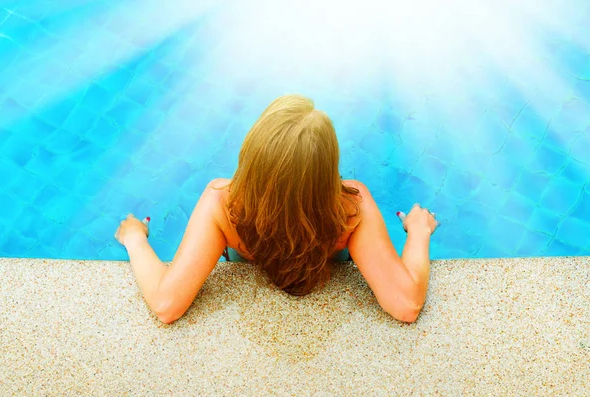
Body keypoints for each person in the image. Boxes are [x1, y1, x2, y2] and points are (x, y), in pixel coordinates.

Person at [114, 94, 438, 324]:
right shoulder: (350, 208)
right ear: (328, 169)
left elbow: (166, 303)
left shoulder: (223, 204)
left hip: (252, 248)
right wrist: (419, 233)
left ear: (252, 156)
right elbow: (406, 304)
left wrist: (135, 239)